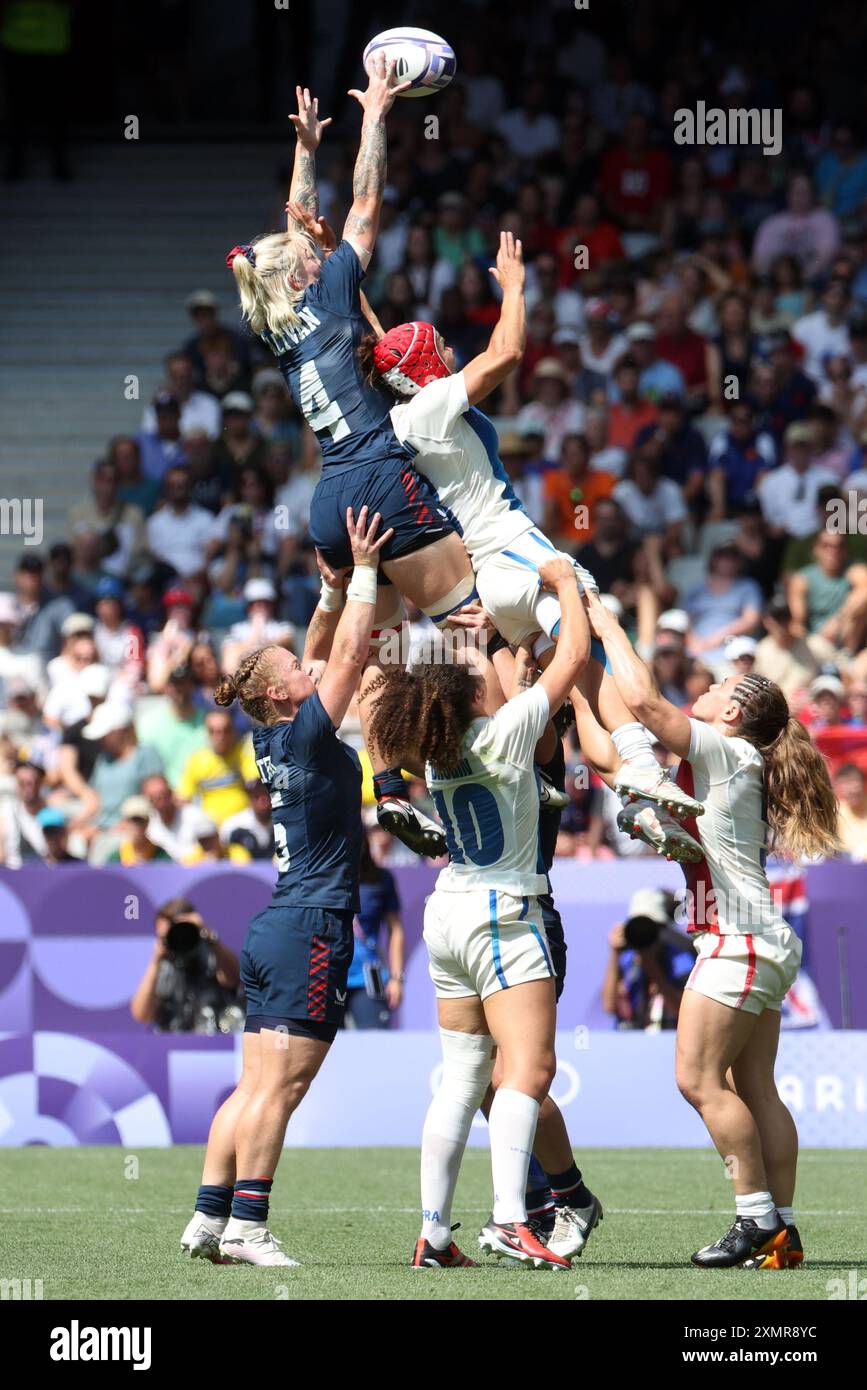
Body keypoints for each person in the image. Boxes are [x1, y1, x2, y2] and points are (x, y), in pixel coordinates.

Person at [360, 235, 705, 861]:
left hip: (488, 578)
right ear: (420, 368)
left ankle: (633, 797)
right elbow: (508, 351)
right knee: (594, 646)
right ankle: (639, 768)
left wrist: (348, 280)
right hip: (514, 548)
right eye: (437, 344)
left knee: (567, 683)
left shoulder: (404, 415)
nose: (447, 347)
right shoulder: (435, 403)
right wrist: (514, 287)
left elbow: (388, 353)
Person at [227, 73, 475, 857]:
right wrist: (372, 118)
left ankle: (390, 784)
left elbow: (293, 236)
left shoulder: (276, 326)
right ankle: (496, 767)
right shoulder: (331, 296)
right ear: (303, 272)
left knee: (373, 644)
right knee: (472, 618)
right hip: (377, 478)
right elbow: (363, 209)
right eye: (304, 256)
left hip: (328, 504)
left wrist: (304, 151)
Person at [579, 590, 839, 1269]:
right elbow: (617, 745)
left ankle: (754, 1221)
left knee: (697, 1081)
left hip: (738, 942)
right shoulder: (724, 765)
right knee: (753, 1088)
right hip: (757, 939)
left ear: (733, 712)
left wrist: (597, 612)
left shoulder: (729, 753)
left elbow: (642, 704)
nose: (706, 682)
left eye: (719, 682)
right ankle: (781, 1230)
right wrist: (576, 682)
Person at [366, 555, 601, 1270]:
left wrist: (476, 636)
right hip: (504, 913)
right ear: (470, 695)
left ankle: (434, 1233)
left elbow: (432, 687)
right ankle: (507, 1219)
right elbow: (576, 654)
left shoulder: (436, 751)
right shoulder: (507, 733)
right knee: (526, 1073)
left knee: (464, 1078)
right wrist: (563, 584)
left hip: (449, 911)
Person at [179, 505, 389, 1267]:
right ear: (281, 695)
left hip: (276, 922)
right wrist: (364, 571)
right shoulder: (302, 727)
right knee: (281, 1092)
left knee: (254, 1084)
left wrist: (329, 594)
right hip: (309, 924)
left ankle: (207, 1216)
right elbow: (351, 656)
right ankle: (247, 1228)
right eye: (298, 673)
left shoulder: (275, 731)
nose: (310, 667)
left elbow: (318, 650)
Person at [343, 831, 405, 1030]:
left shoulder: (381, 879)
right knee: (323, 1052)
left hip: (368, 977)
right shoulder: (322, 877)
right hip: (328, 975)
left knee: (375, 1043)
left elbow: (395, 930)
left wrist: (396, 978)